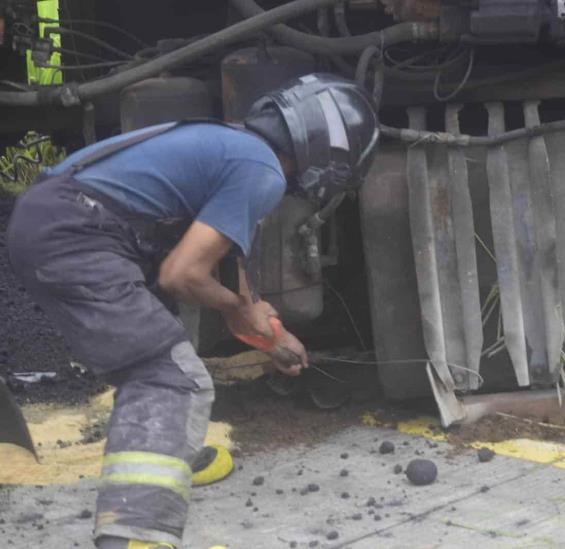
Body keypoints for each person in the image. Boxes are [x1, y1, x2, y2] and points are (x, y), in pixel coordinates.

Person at [6, 73, 379, 549]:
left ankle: (168, 456)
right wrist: (237, 308)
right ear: (329, 158)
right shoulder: (261, 172)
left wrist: (268, 335)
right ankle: (134, 533)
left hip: (52, 218)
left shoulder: (234, 145)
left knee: (151, 347)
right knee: (169, 377)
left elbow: (227, 270)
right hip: (77, 233)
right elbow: (182, 276)